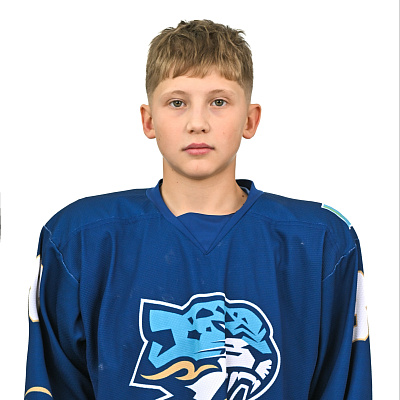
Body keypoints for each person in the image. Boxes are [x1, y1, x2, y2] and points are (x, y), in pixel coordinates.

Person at [25, 20, 372, 399]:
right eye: (177, 103)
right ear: (148, 120)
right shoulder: (82, 240)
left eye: (218, 102)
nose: (197, 123)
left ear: (250, 119)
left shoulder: (321, 243)